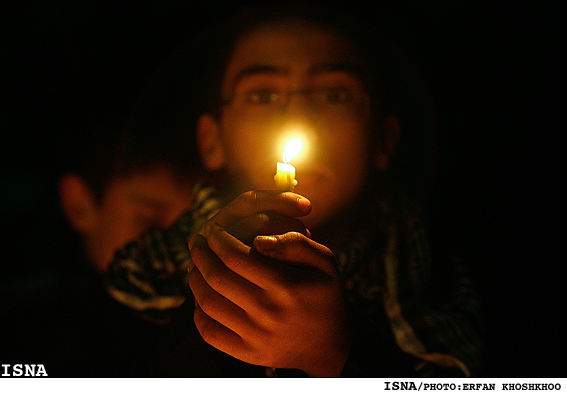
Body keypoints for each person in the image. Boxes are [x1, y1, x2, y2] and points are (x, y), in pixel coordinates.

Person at [102, 5, 482, 377]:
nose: (297, 119)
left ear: (383, 140)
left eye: (334, 95)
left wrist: (336, 354)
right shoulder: (132, 290)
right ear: (212, 141)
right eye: (262, 95)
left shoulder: (439, 283)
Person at [0, 48, 203, 376]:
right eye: (150, 219)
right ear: (79, 205)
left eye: (198, 223)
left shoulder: (222, 333)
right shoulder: (20, 335)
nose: (183, 247)